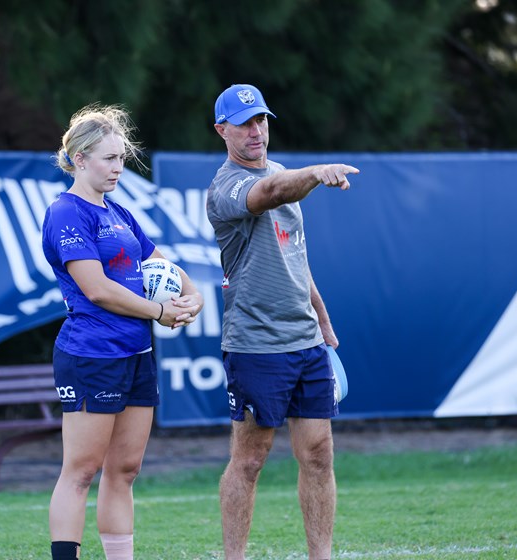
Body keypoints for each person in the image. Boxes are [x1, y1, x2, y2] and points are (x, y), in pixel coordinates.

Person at [42, 104, 204, 560]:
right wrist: (159, 311)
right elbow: (96, 289)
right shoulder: (66, 212)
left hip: (135, 353)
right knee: (81, 470)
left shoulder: (118, 212)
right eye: (109, 158)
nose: (118, 167)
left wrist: (193, 296)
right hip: (92, 353)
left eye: (121, 158)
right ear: (79, 159)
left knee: (126, 469)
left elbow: (158, 262)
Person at [206, 84, 359, 560]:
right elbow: (270, 193)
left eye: (261, 120)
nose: (256, 130)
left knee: (319, 455)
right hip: (256, 344)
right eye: (244, 123)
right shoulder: (227, 187)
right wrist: (314, 172)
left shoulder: (280, 173)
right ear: (222, 131)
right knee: (249, 460)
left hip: (306, 341)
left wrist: (323, 320)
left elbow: (295, 258)